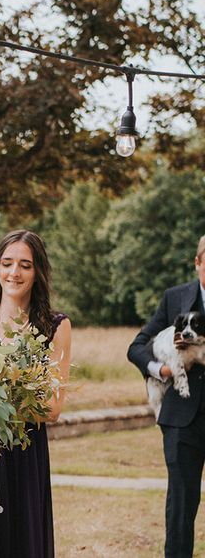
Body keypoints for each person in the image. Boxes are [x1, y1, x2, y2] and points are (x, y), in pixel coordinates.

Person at [0, 229, 72, 558]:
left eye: (25, 265)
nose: (14, 273)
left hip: (23, 450)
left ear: (38, 272)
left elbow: (51, 407)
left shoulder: (54, 325)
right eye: (7, 263)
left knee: (21, 540)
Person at [127, 234, 205, 558]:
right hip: (181, 420)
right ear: (198, 262)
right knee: (181, 506)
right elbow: (137, 347)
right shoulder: (175, 298)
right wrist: (162, 371)